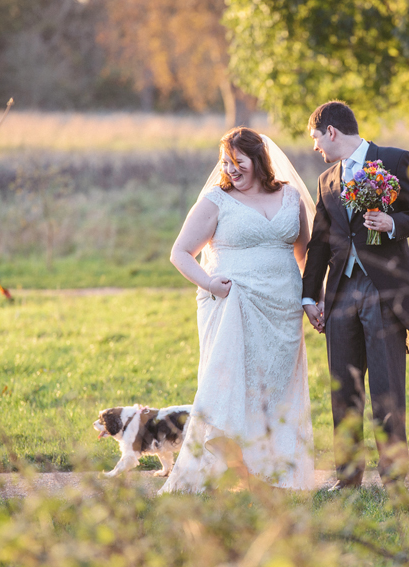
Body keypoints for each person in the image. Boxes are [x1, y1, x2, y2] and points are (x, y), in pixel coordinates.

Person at [158, 127, 316, 494]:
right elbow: (180, 252)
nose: (231, 169)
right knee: (229, 388)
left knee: (275, 388)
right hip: (234, 306)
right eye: (225, 162)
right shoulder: (216, 200)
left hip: (282, 307)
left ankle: (276, 472)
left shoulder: (290, 197)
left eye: (238, 161)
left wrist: (311, 299)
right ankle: (232, 470)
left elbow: (305, 254)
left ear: (259, 160)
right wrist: (209, 284)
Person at [301, 101, 409, 490]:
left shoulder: (394, 159)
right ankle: (347, 478)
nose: (315, 149)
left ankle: (394, 477)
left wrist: (393, 222)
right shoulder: (327, 179)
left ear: (332, 132)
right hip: (341, 292)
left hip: (383, 290)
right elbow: (321, 245)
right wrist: (310, 297)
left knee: (387, 387)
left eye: (315, 139)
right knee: (343, 387)